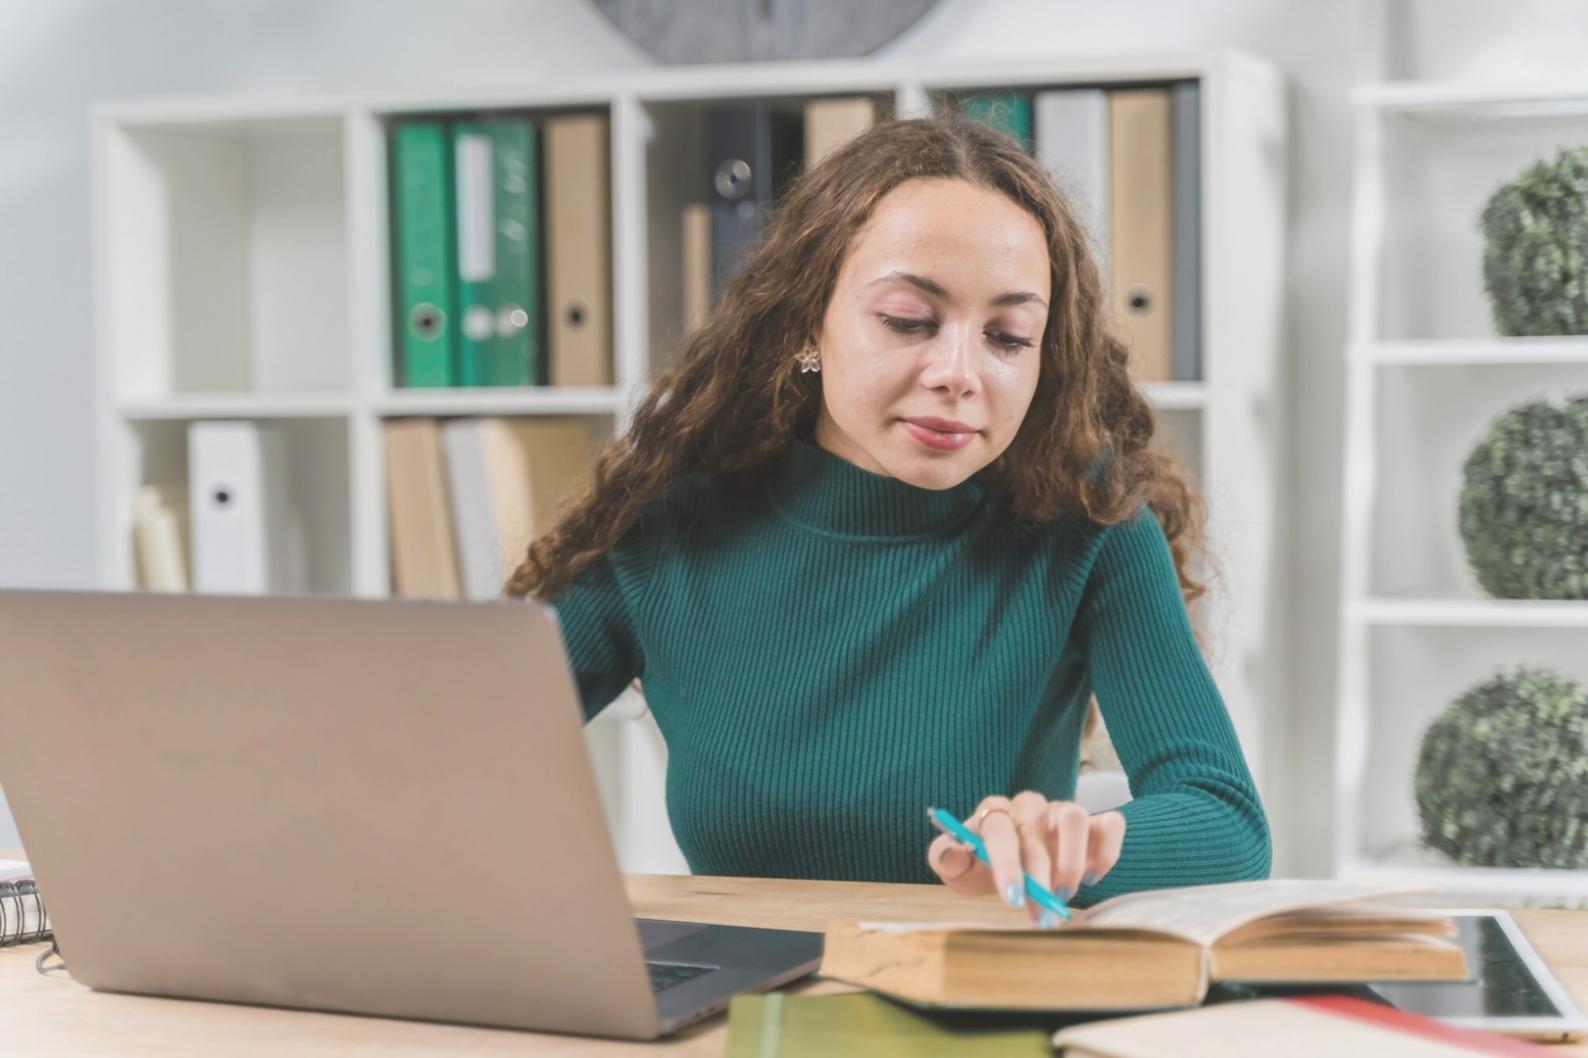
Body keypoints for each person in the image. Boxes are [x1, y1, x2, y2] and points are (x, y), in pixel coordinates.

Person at [504, 110, 1270, 927]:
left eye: (1009, 337)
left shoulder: (1086, 522)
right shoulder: (671, 526)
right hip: (748, 1017)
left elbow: (1224, 818)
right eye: (908, 321)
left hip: (981, 1008)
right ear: (809, 324)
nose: (958, 373)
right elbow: (449, 751)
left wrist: (1075, 843)